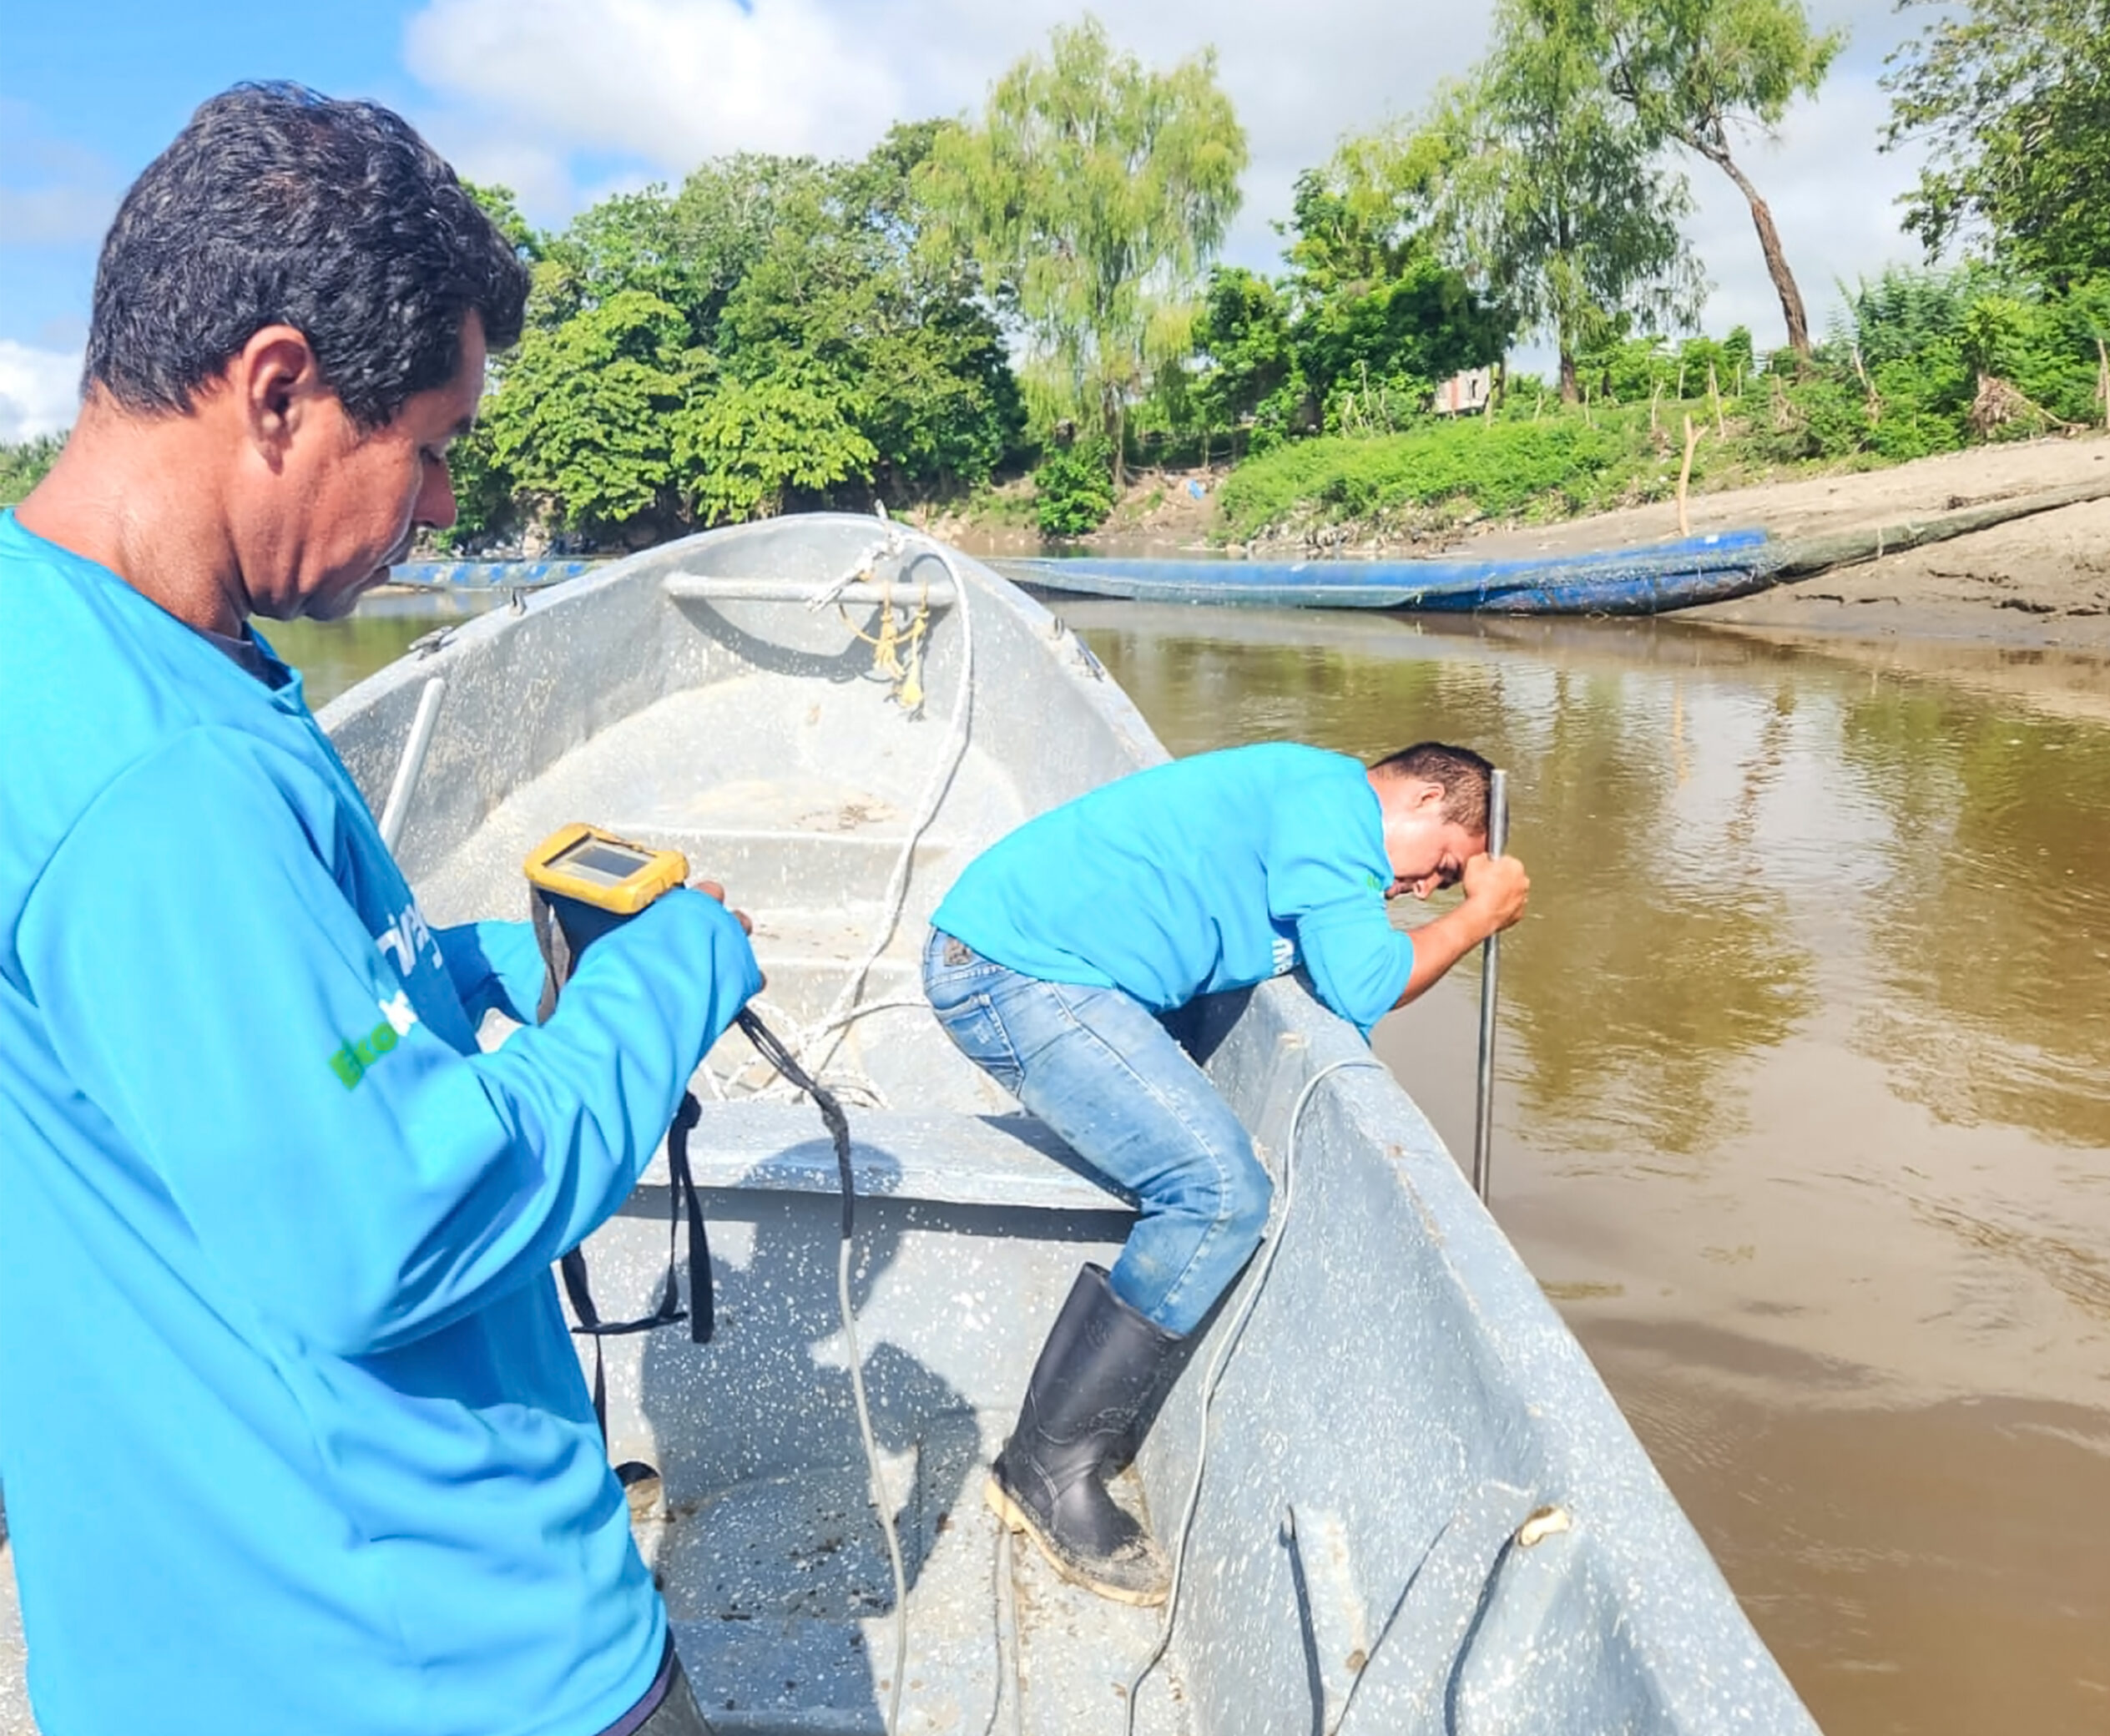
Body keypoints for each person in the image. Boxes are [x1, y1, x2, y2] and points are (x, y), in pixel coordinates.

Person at [0, 86, 760, 1736]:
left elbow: (200, 1027)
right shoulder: (171, 778)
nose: (433, 516)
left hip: (170, 1634)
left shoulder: (49, 645)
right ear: (278, 387)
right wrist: (665, 979)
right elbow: (393, 1222)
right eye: (427, 452)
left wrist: (507, 962)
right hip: (440, 1645)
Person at [921, 739, 1528, 1605]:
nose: (1428, 889)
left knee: (1206, 1172)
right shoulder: (1338, 815)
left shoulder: (1315, 795)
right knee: (1217, 1193)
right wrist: (1483, 914)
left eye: (1449, 883)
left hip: (1039, 963)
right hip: (1011, 974)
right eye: (1444, 863)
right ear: (1425, 796)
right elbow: (1365, 985)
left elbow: (1338, 975)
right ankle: (1044, 1468)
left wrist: (1442, 910)